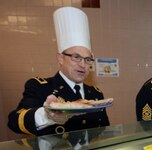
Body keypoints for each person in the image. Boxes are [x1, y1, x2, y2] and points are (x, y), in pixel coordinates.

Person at [8, 7, 109, 137]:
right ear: (60, 58)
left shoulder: (96, 93)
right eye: (76, 57)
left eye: (88, 59)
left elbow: (103, 131)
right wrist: (47, 115)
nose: (83, 65)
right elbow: (14, 121)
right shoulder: (40, 87)